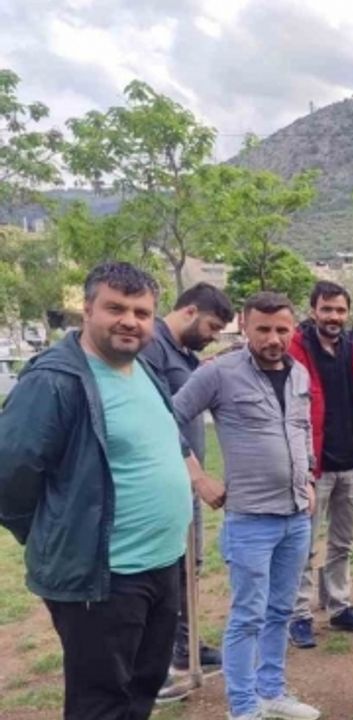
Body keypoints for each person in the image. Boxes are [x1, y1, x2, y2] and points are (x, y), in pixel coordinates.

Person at [0, 262, 212, 720]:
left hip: (161, 564)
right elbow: (8, 477)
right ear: (87, 309)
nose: (129, 321)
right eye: (115, 308)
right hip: (103, 578)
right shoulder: (54, 382)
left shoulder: (142, 371)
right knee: (101, 702)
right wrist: (55, 532)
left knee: (142, 688)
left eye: (141, 311)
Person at [173, 292, 321, 720]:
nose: (274, 338)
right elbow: (166, 417)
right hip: (250, 520)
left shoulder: (299, 375)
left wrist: (308, 477)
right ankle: (243, 707)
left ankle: (272, 692)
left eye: (282, 329)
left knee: (281, 609)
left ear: (293, 328)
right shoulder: (219, 373)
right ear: (244, 325)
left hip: (296, 517)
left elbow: (303, 429)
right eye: (264, 329)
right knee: (248, 616)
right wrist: (198, 477)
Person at [139, 281, 234, 700]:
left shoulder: (183, 353)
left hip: (183, 483)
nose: (214, 334)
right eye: (213, 325)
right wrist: (196, 475)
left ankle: (183, 647)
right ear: (191, 311)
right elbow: (156, 416)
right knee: (158, 574)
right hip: (159, 483)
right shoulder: (152, 347)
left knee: (185, 570)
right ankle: (150, 671)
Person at [288, 281, 353, 649]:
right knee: (304, 544)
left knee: (343, 541)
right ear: (314, 310)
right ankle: (298, 614)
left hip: (349, 460)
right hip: (313, 464)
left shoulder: (352, 347)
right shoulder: (297, 347)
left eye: (340, 310)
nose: (333, 317)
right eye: (326, 309)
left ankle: (339, 606)